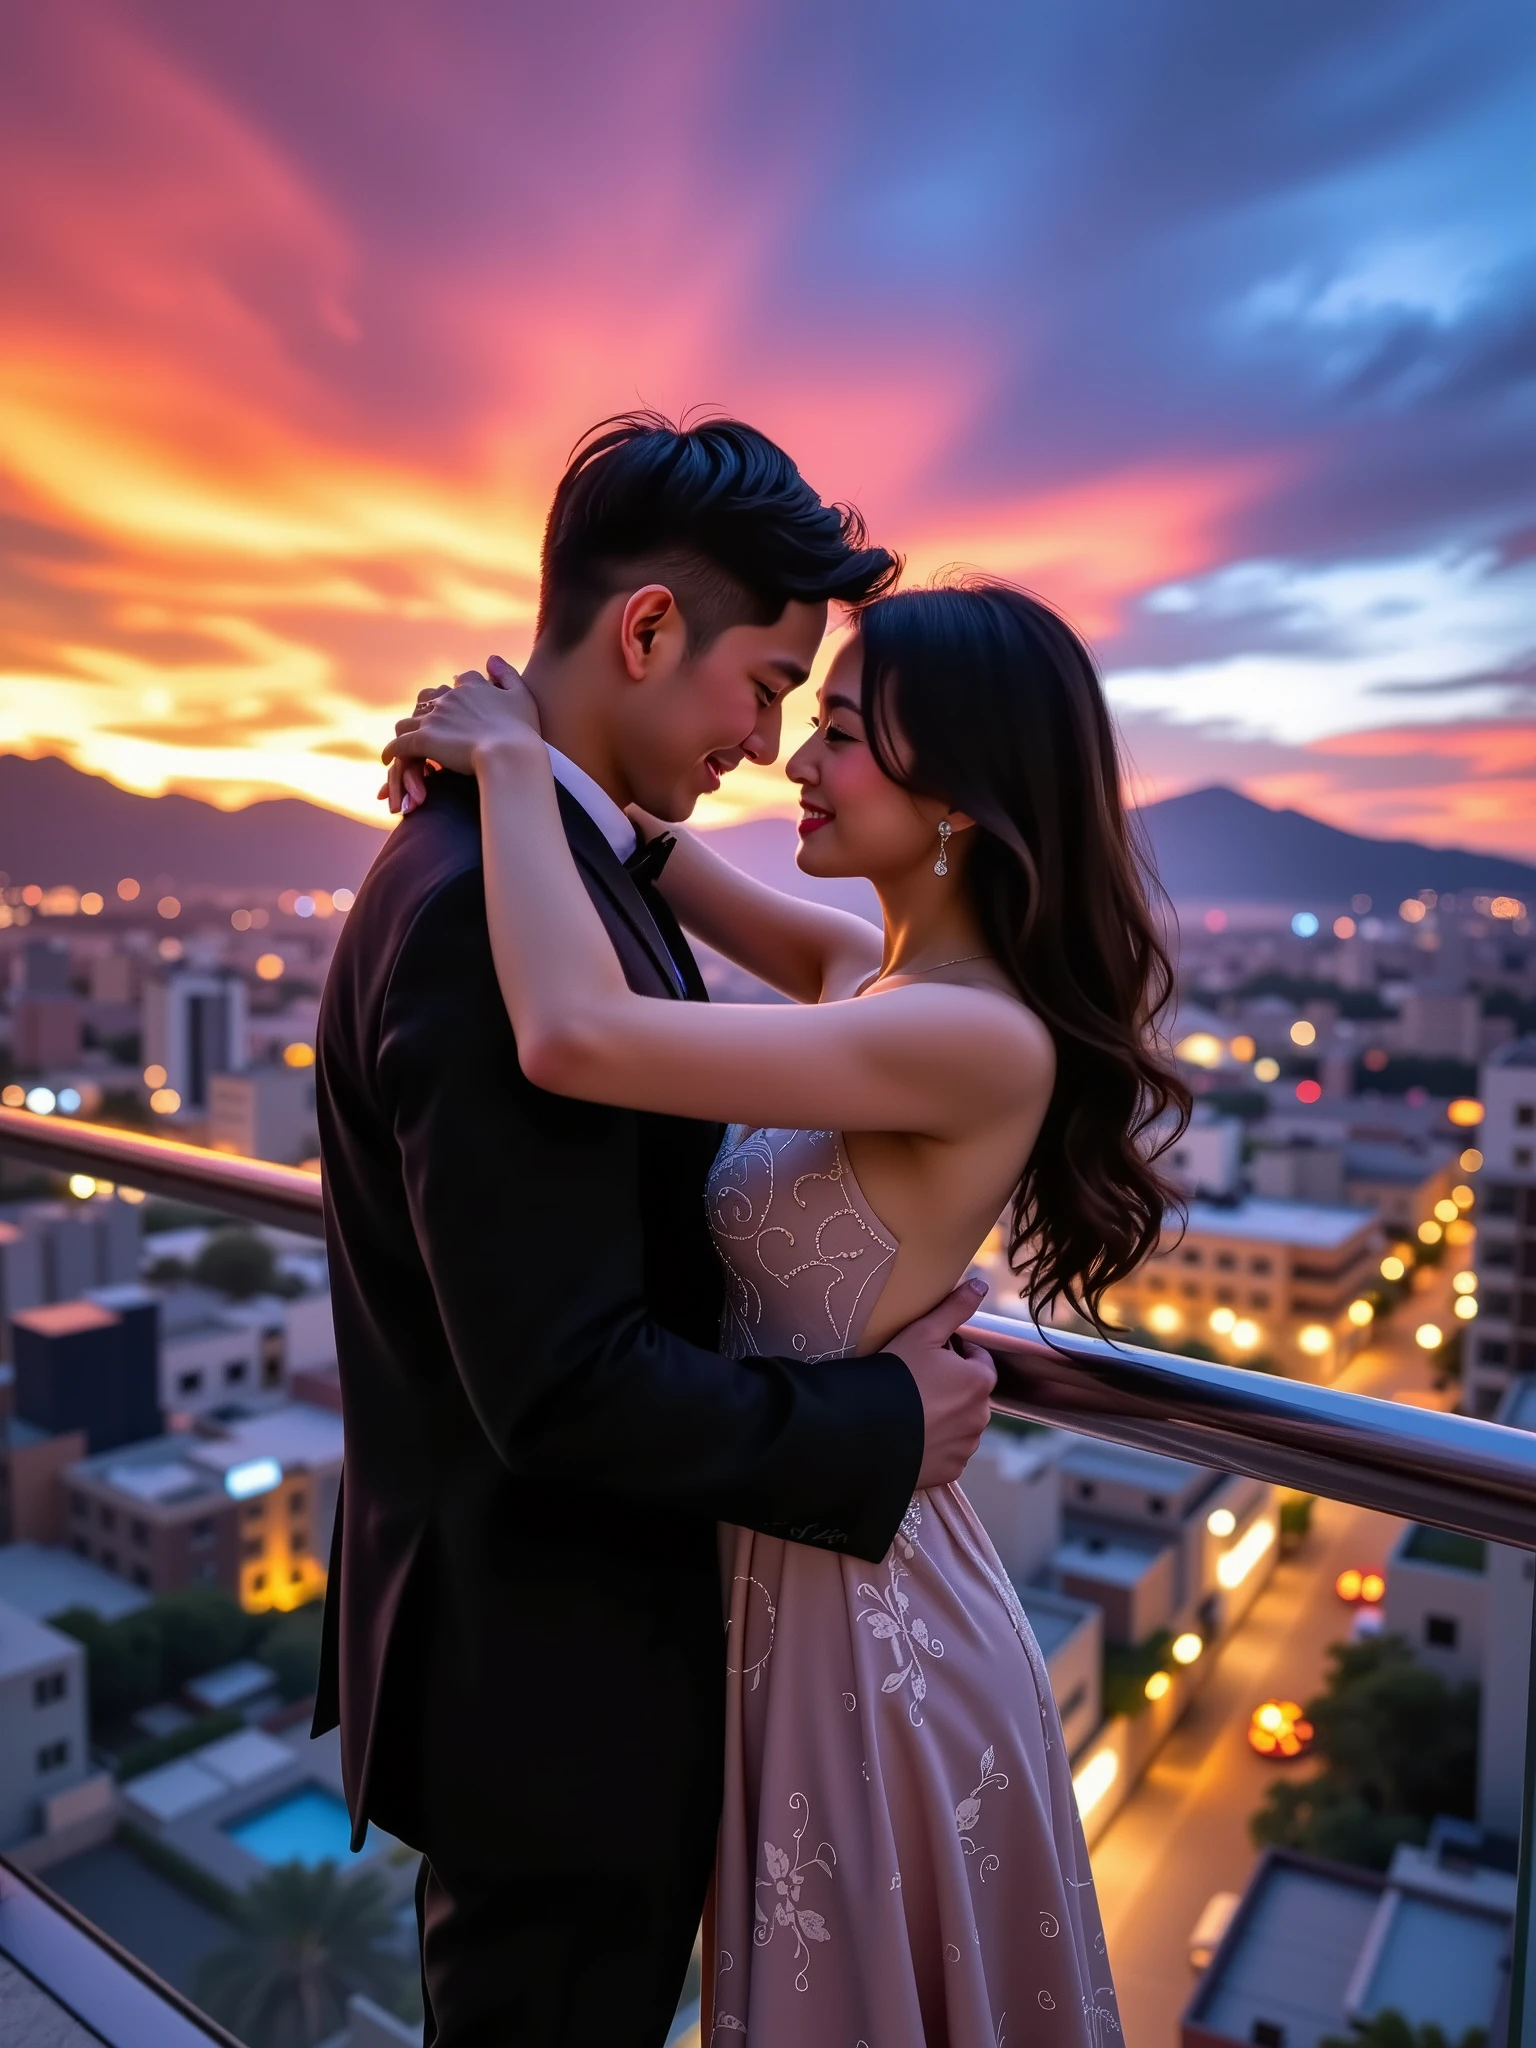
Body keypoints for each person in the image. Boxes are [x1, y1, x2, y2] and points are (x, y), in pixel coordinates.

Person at [385, 574, 1189, 2045]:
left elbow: (573, 1034)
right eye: (796, 717)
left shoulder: (970, 1038)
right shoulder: (863, 977)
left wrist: (504, 763)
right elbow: (642, 840)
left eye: (842, 733)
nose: (789, 764)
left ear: (964, 795)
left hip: (874, 1634)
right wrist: (529, 738)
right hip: (783, 1577)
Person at [314, 414, 999, 2048]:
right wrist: (884, 1421)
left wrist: (517, 762)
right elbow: (558, 1382)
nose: (768, 746)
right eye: (766, 687)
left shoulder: (537, 862)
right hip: (557, 1695)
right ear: (645, 630)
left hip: (553, 1665)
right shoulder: (493, 919)